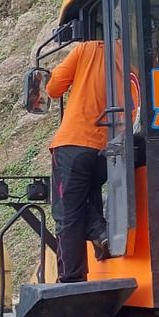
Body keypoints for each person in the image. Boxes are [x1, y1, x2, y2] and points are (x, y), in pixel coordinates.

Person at [46, 39, 110, 283]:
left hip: (74, 143)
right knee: (83, 200)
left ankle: (71, 279)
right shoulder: (134, 56)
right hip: (111, 148)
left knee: (66, 213)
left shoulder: (88, 49)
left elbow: (53, 88)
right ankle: (100, 232)